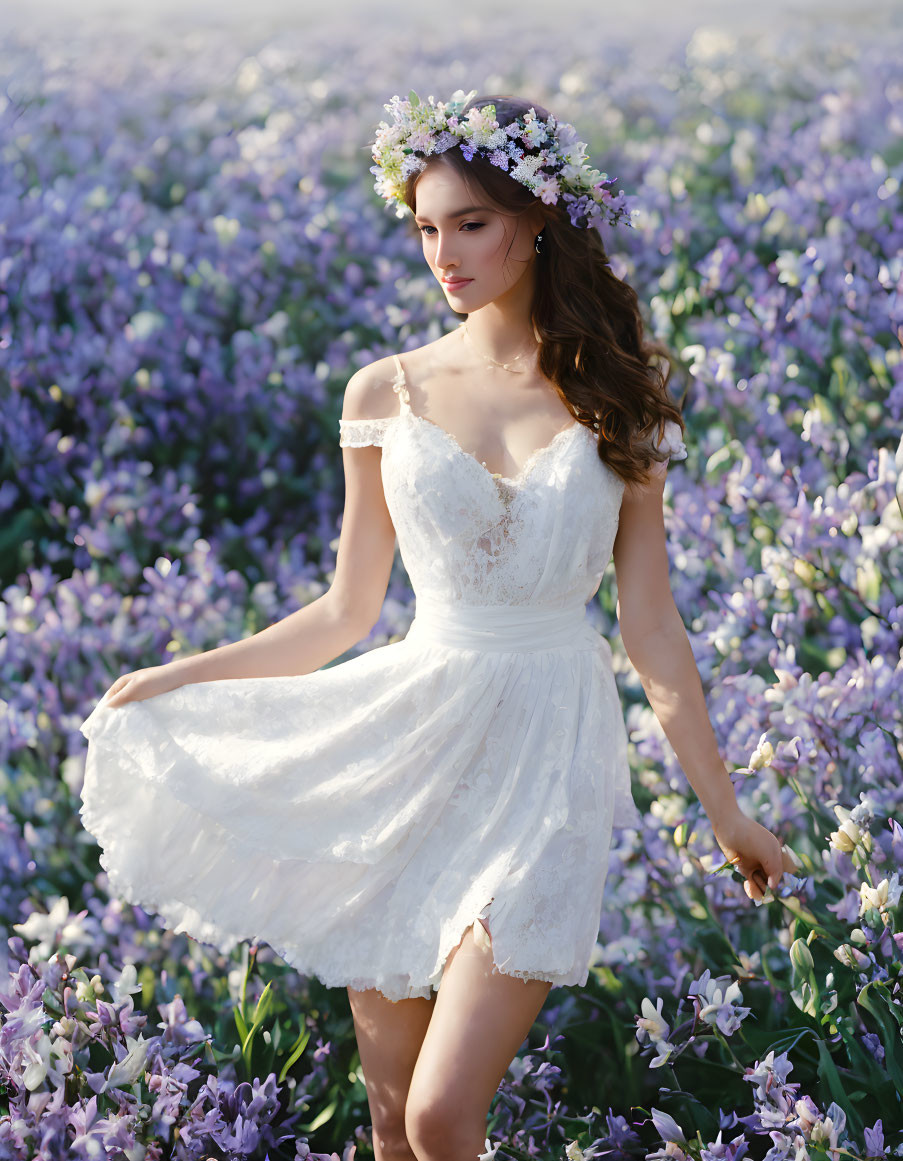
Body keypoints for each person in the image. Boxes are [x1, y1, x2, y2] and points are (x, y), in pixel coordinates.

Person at [78, 90, 793, 1161]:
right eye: (425, 227)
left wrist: (725, 810)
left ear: (537, 220)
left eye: (471, 223)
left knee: (442, 1115)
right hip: (410, 747)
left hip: (548, 750)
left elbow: (653, 629)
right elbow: (345, 611)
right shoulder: (390, 390)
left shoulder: (618, 399)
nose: (443, 253)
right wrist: (180, 676)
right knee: (391, 1126)